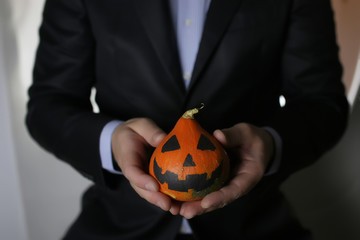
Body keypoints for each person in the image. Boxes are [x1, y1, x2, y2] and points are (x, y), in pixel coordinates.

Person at [26, 0, 349, 239]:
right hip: (117, 225)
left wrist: (270, 143)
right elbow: (48, 105)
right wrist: (112, 141)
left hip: (253, 224)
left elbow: (323, 103)